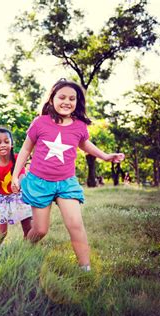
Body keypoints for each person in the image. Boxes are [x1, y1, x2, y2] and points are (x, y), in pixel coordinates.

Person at [11, 79, 125, 271]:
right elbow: (24, 150)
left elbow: (85, 144)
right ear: (52, 99)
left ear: (77, 102)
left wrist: (105, 156)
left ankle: (85, 268)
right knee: (40, 230)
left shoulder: (79, 126)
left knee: (75, 224)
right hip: (40, 182)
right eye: (62, 97)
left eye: (72, 98)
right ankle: (23, 251)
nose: (66, 102)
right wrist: (16, 175)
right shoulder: (40, 123)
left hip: (66, 183)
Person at [0, 127, 32, 242]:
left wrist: (19, 183)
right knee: (2, 232)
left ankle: (27, 249)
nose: (3, 145)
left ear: (11, 144)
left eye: (6, 142)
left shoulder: (17, 158)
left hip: (19, 197)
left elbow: (21, 174)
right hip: (1, 200)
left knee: (28, 227)